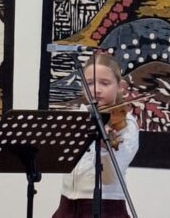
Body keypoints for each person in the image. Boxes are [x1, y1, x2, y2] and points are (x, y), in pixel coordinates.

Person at [52, 52, 139, 218]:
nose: (96, 90)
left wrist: (105, 148)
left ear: (120, 86)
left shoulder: (126, 124)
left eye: (105, 83)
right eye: (90, 83)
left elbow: (108, 178)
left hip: (106, 206)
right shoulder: (79, 116)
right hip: (67, 205)